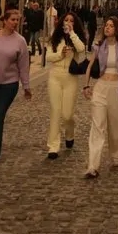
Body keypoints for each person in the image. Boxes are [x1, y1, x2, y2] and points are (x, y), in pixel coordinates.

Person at [83, 16, 118, 179]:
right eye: (106, 25)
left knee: (116, 127)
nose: (107, 28)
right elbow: (90, 66)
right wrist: (86, 85)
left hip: (117, 89)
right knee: (97, 127)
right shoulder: (99, 46)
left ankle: (117, 156)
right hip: (101, 87)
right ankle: (93, 166)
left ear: (117, 29)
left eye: (111, 26)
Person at [0, 8, 31, 167]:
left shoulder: (20, 41)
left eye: (17, 20)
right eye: (12, 19)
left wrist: (26, 86)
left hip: (9, 84)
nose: (15, 23)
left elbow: (24, 66)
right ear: (4, 20)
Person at [45, 11, 87, 159]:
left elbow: (81, 49)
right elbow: (48, 57)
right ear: (61, 22)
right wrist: (60, 54)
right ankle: (53, 146)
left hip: (70, 77)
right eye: (66, 20)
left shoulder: (76, 38)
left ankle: (70, 134)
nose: (68, 23)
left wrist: (72, 34)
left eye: (71, 21)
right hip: (55, 76)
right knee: (56, 111)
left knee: (67, 114)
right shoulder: (54, 38)